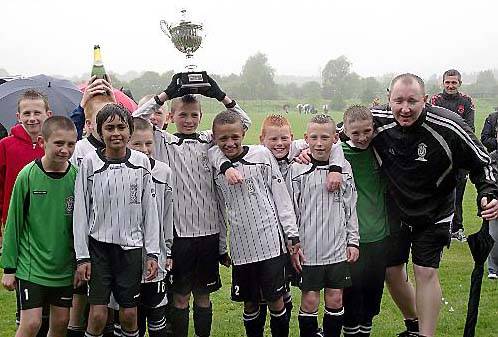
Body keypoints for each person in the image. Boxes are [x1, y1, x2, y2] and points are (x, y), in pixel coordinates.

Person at [372, 73, 498, 337]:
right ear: (388, 100)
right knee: (391, 272)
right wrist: (304, 150)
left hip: (435, 211)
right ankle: (414, 324)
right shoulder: (377, 120)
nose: (405, 109)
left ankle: (426, 335)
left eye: (412, 101)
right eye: (398, 101)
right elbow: (333, 135)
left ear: (425, 100)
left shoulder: (449, 126)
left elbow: (482, 161)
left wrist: (488, 191)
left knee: (425, 271)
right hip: (395, 209)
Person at [132, 73, 250, 337]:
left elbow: (243, 123)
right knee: (181, 297)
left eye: (194, 115)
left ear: (201, 117)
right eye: (182, 115)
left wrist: (220, 96)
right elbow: (135, 121)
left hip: (208, 233)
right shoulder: (163, 141)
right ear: (171, 117)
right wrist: (165, 94)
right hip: (179, 236)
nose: (188, 120)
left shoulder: (209, 140)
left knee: (203, 297)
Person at [208, 110, 301, 337]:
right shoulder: (214, 164)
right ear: (214, 138)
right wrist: (222, 247)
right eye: (223, 139)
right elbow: (219, 209)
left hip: (270, 243)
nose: (230, 143)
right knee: (249, 303)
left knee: (276, 300)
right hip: (241, 249)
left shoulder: (261, 155)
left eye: (235, 137)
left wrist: (292, 234)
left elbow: (281, 196)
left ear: (243, 134)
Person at [73, 104, 160, 337]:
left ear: (129, 131)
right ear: (100, 132)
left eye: (121, 127)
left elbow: (150, 210)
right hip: (99, 249)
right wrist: (82, 256)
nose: (116, 133)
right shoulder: (89, 163)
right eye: (109, 128)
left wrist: (152, 252)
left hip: (131, 249)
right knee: (98, 314)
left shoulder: (141, 163)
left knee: (130, 314)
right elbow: (80, 211)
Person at [1, 116, 78, 337]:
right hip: (31, 266)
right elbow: (14, 222)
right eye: (59, 143)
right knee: (32, 324)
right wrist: (9, 268)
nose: (65, 150)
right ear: (43, 142)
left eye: (71, 144)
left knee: (62, 322)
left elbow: (81, 225)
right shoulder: (28, 176)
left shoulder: (76, 177)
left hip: (64, 268)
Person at [286, 114, 359, 337]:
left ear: (335, 138)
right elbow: (290, 210)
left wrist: (353, 241)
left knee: (336, 297)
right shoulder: (297, 169)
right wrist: (293, 245)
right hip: (308, 251)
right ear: (306, 138)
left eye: (325, 137)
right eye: (314, 137)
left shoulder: (344, 168)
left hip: (337, 247)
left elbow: (351, 207)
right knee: (309, 300)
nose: (319, 143)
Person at [0, 89, 52, 337]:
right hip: (19, 231)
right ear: (18, 116)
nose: (32, 118)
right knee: (29, 312)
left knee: (52, 312)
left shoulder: (55, 147)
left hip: (50, 232)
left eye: (37, 112)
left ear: (47, 114)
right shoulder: (5, 146)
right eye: (27, 113)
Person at [67, 79, 112, 337]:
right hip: (83, 232)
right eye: (97, 119)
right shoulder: (80, 149)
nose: (104, 124)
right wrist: (82, 104)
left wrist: (114, 105)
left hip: (111, 234)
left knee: (105, 300)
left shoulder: (121, 148)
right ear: (88, 122)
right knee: (80, 295)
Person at [340, 105, 389, 337]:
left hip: (379, 236)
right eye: (355, 133)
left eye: (367, 131)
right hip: (351, 240)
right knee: (352, 294)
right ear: (345, 130)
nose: (362, 137)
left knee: (372, 294)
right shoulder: (338, 154)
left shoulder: (381, 150)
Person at [127, 117, 174, 337]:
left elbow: (167, 216)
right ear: (126, 142)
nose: (144, 149)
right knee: (129, 317)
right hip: (127, 258)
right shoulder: (119, 171)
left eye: (148, 143)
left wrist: (168, 250)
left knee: (156, 314)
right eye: (137, 144)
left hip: (156, 257)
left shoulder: (164, 172)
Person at [431, 69, 475, 242]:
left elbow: (469, 128)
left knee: (458, 195)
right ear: (443, 83)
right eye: (447, 82)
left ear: (459, 83)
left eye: (454, 82)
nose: (450, 85)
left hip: (460, 156)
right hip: (438, 155)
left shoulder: (466, 101)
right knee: (437, 193)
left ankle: (457, 229)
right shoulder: (436, 100)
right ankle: (437, 229)